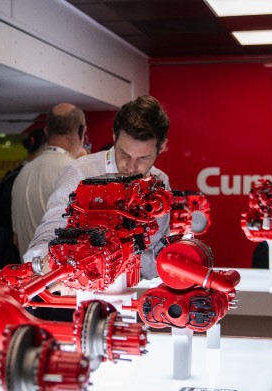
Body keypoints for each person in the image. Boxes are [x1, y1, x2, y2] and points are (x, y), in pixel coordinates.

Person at [23, 95, 170, 280]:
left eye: (143, 158)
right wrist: (46, 262)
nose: (132, 167)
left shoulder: (159, 182)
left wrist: (121, 268)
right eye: (124, 154)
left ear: (161, 147)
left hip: (130, 297)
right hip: (74, 292)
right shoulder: (80, 173)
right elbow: (50, 229)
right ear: (114, 136)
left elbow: (157, 250)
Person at [11, 103, 87, 257]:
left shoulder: (22, 173)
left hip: (29, 276)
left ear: (46, 132)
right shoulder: (77, 173)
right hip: (65, 278)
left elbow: (17, 239)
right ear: (82, 131)